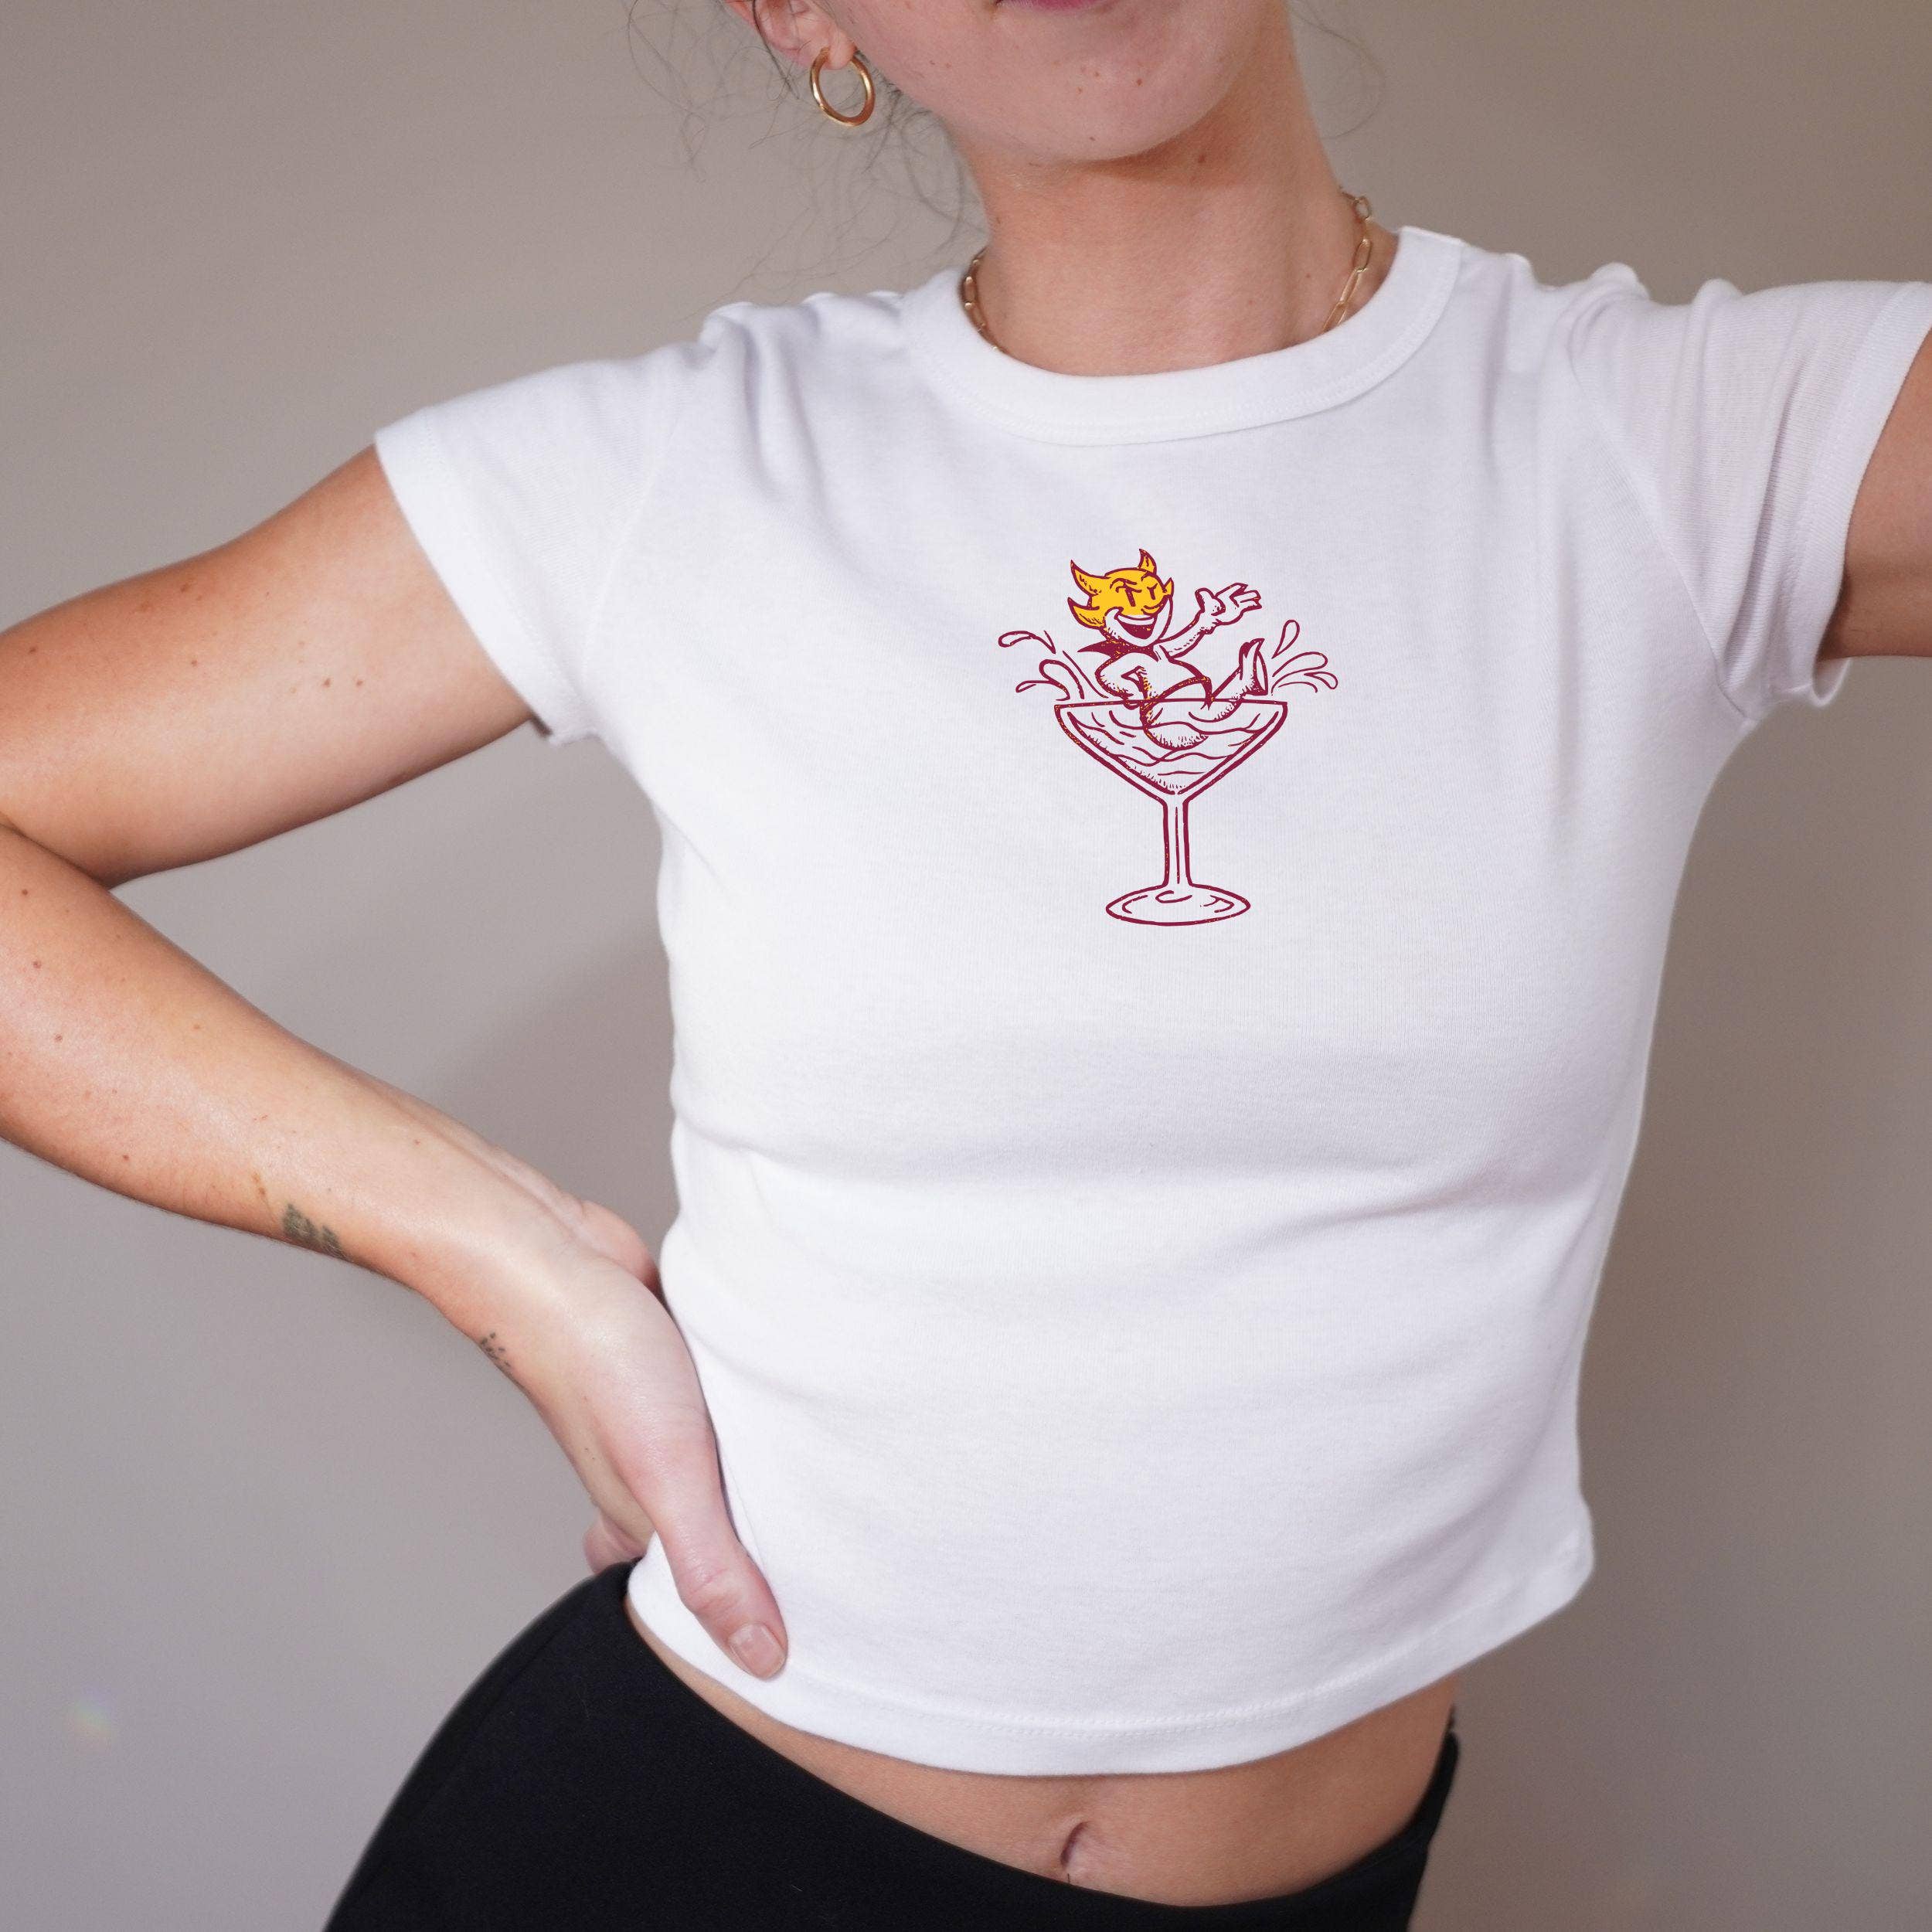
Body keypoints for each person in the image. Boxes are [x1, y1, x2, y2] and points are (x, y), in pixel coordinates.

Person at [5, 2, 1929, 1926]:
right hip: (669, 1847)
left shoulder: (1673, 444)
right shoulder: (670, 473)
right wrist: (487, 1243)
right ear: (806, 15)